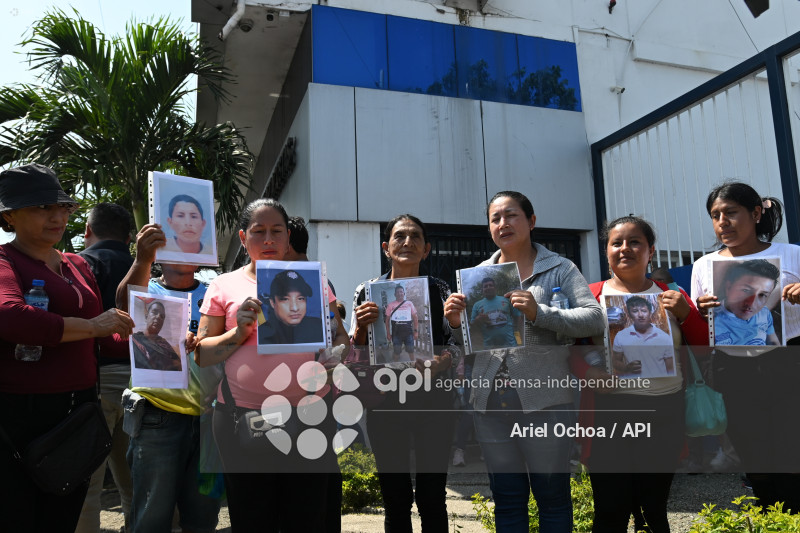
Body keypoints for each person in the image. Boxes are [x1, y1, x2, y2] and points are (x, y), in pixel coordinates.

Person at [445, 191, 605, 533]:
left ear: (531, 221)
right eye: (495, 218)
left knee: (552, 499)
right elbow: (471, 345)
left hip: (546, 401)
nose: (503, 223)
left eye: (511, 215)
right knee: (507, 499)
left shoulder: (560, 268)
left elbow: (594, 319)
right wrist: (457, 325)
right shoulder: (477, 277)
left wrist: (539, 312)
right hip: (490, 403)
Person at [195, 198, 349, 532]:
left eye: (276, 231)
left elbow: (341, 340)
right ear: (242, 238)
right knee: (252, 516)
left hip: (310, 415)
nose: (268, 239)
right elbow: (203, 353)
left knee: (306, 515)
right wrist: (240, 332)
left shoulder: (314, 281)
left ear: (288, 236)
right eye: (258, 231)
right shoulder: (224, 285)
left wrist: (333, 357)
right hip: (243, 418)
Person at [0, 163, 134, 533]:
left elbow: (107, 339)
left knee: (65, 514)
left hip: (79, 413)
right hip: (23, 417)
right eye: (41, 208)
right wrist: (93, 326)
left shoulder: (76, 264)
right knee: (21, 516)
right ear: (8, 215)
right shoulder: (5, 260)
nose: (57, 216)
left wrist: (152, 342)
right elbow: (11, 316)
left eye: (62, 207)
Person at [569, 215, 707, 533]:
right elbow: (567, 350)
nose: (625, 248)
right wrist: (588, 372)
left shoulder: (673, 296)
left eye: (635, 242)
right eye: (616, 242)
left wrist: (687, 315)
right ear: (606, 251)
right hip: (609, 413)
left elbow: (704, 348)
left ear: (651, 251)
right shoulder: (589, 296)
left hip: (665, 413)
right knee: (610, 510)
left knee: (653, 510)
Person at [691, 182, 800, 512]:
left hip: (787, 362)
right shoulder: (703, 266)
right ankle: (768, 514)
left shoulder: (792, 253)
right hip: (733, 368)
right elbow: (697, 323)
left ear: (755, 213)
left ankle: (792, 514)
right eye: (715, 215)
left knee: (790, 448)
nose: (722, 221)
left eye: (731, 213)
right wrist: (700, 308)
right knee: (753, 451)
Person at [351, 214, 459, 532]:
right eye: (400, 236)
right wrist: (359, 330)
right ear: (386, 247)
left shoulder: (440, 290)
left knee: (432, 498)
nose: (407, 242)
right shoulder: (366, 291)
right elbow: (353, 355)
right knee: (395, 499)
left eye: (415, 237)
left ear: (426, 249)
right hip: (385, 403)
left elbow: (457, 344)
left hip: (434, 403)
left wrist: (444, 361)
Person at [115, 222, 223, 533]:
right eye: (173, 241)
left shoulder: (214, 293)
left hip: (211, 422)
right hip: (155, 419)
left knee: (204, 520)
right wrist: (141, 259)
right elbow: (123, 305)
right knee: (150, 520)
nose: (182, 249)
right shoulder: (147, 289)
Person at [76, 202, 135, 533]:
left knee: (87, 486)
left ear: (88, 231)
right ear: (129, 238)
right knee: (134, 483)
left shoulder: (80, 266)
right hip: (141, 382)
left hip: (95, 382)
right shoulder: (143, 269)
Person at [712, 259, 780, 346]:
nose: (751, 303)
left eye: (762, 295)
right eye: (746, 290)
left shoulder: (764, 313)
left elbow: (774, 343)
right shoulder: (712, 317)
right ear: (728, 287)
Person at [611, 296, 675, 378]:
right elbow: (615, 361)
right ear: (629, 315)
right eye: (635, 311)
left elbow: (670, 369)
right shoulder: (621, 336)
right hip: (634, 387)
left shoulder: (664, 337)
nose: (640, 315)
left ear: (650, 313)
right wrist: (626, 368)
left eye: (644, 311)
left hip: (660, 385)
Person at [258, 269, 324, 345]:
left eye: (300, 299)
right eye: (285, 299)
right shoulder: (261, 335)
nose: (295, 308)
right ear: (272, 302)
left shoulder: (319, 328)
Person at [470, 276, 522, 349]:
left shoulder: (507, 300)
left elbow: (518, 319)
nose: (488, 287)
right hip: (489, 350)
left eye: (491, 285)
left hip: (511, 346)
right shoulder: (477, 305)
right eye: (485, 286)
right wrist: (478, 319)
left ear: (495, 288)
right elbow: (472, 327)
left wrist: (520, 341)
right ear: (482, 290)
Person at [131, 299, 182, 371]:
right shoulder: (135, 340)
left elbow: (178, 367)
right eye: (155, 312)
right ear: (146, 316)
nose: (158, 317)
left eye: (162, 316)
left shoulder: (165, 345)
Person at [384, 283, 418, 361]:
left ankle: (414, 366)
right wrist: (388, 333)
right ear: (395, 294)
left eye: (401, 292)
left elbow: (415, 318)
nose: (399, 293)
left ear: (404, 293)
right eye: (397, 292)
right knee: (396, 352)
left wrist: (416, 331)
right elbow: (387, 320)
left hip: (408, 333)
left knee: (411, 351)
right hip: (396, 334)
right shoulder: (390, 305)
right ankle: (396, 366)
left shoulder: (409, 304)